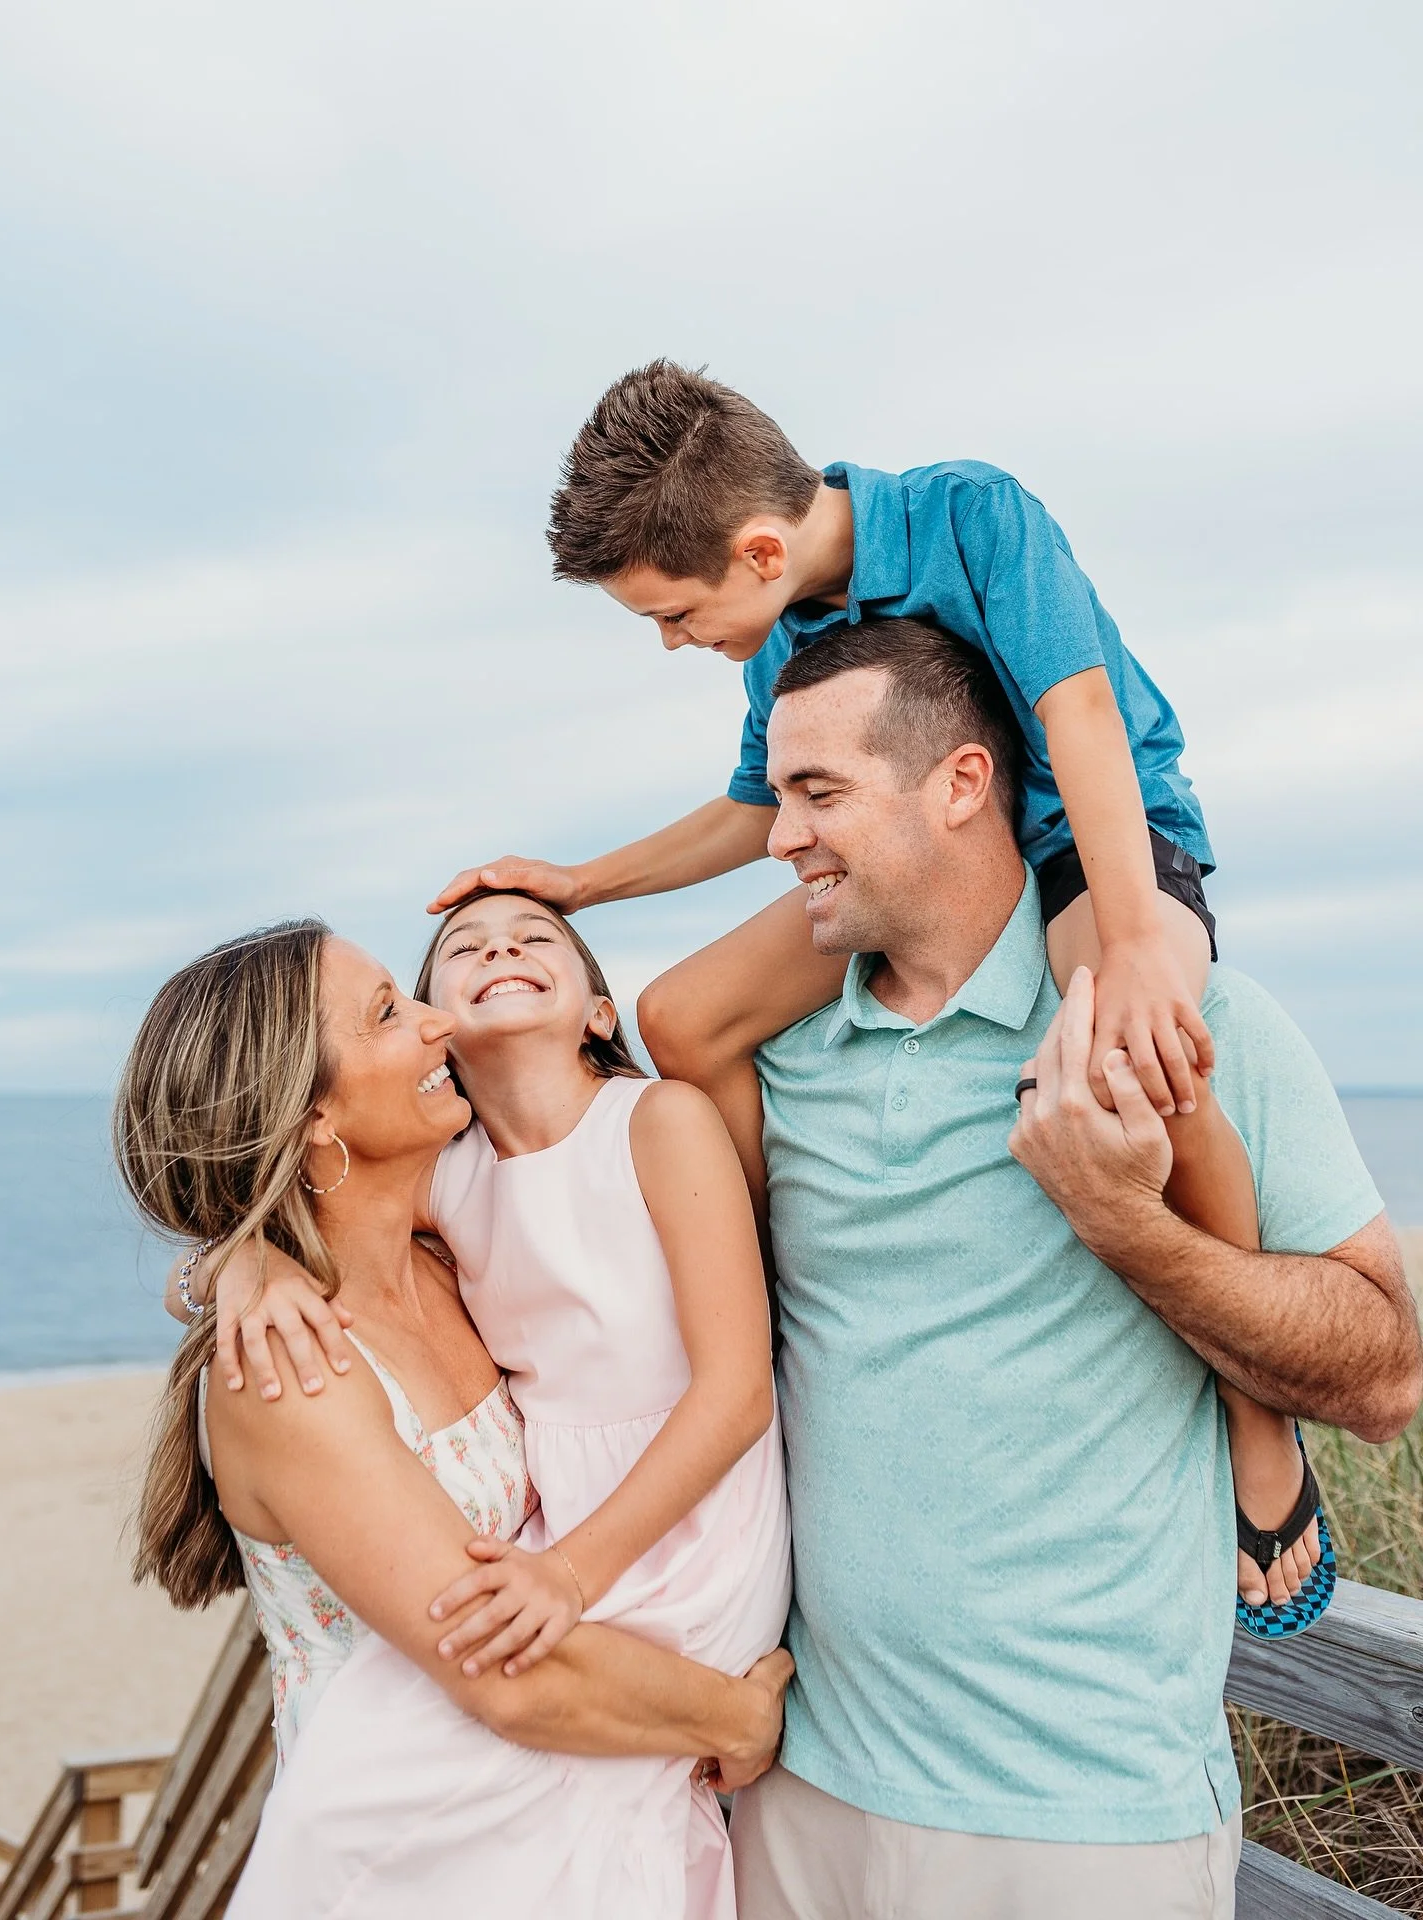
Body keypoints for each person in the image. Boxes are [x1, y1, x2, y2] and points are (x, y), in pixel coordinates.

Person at [431, 360, 1322, 1628]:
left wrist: (1129, 950)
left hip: (1089, 840)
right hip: (901, 865)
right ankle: (768, 1300)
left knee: (1135, 1049)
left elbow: (1082, 727)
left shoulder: (973, 515)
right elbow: (757, 813)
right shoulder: (785, 636)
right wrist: (578, 885)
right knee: (683, 1017)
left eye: (672, 616)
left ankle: (1257, 1414)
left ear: (754, 549)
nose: (675, 643)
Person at [638, 618, 1422, 1918]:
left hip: (1084, 1825)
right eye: (778, 794)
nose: (778, 836)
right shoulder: (772, 1060)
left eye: (818, 793)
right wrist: (246, 1273)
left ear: (961, 782)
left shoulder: (1189, 1019)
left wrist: (1128, 1228)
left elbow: (1386, 1374)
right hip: (801, 1794)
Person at [124, 919, 791, 1919]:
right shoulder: (295, 1368)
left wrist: (234, 1259)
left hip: (556, 1804)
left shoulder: (448, 1267)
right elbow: (507, 1679)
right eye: (390, 1012)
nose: (438, 1020)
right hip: (422, 1847)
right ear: (310, 1118)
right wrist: (738, 1717)